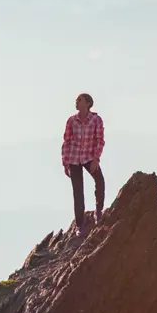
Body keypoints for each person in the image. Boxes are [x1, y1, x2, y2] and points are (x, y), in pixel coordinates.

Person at [61, 93, 105, 236]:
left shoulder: (96, 120)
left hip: (89, 158)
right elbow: (66, 142)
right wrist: (65, 163)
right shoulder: (71, 121)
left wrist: (96, 159)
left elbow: (100, 140)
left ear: (88, 103)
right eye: (76, 100)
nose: (76, 102)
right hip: (74, 159)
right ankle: (80, 226)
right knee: (78, 192)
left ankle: (98, 212)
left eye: (80, 100)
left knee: (100, 181)